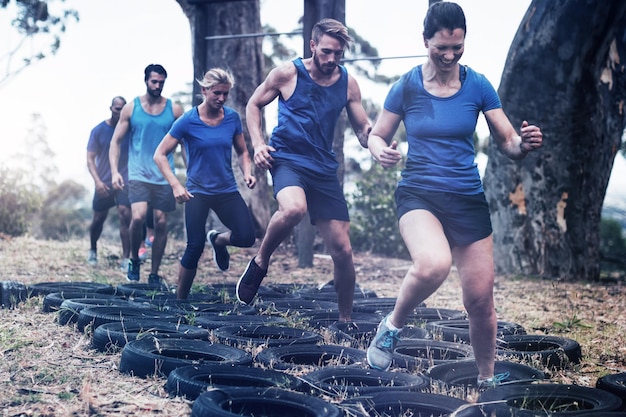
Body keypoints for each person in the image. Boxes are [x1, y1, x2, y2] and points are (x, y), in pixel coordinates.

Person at [364, 2, 543, 388]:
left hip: (466, 198)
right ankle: (391, 327)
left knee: (480, 300)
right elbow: (377, 134)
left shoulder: (477, 84)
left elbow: (508, 140)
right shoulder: (407, 85)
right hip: (419, 194)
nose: (448, 56)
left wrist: (524, 145)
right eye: (440, 47)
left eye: (456, 48)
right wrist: (381, 151)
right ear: (425, 40)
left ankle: (486, 378)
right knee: (432, 264)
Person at [238, 18, 372, 321]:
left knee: (343, 251)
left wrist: (375, 139)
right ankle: (261, 261)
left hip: (323, 169)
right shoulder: (287, 73)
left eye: (338, 53)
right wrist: (258, 144)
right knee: (294, 209)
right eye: (326, 51)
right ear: (312, 46)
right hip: (287, 159)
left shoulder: (348, 83)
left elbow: (363, 128)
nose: (331, 59)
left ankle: (345, 320)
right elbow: (253, 105)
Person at [154, 68, 257, 300]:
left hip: (226, 190)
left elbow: (242, 152)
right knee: (194, 246)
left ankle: (218, 240)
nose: (221, 99)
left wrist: (248, 172)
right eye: (217, 93)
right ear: (204, 91)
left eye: (225, 94)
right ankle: (180, 300)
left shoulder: (231, 118)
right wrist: (176, 185)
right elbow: (159, 154)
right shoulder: (187, 121)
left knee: (246, 236)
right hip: (197, 192)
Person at [110, 64, 184, 284]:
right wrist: (114, 172)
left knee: (161, 222)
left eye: (161, 82)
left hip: (163, 175)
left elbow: (185, 143)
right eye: (154, 81)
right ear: (146, 81)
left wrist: (189, 174)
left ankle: (154, 273)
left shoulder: (175, 110)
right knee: (139, 217)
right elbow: (116, 141)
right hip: (138, 173)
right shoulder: (131, 108)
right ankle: (134, 259)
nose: (158, 85)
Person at [86, 96, 131, 269]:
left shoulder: (130, 129)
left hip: (124, 181)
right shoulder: (98, 130)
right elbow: (90, 158)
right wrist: (97, 182)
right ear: (111, 108)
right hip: (103, 182)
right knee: (98, 219)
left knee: (125, 216)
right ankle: (92, 250)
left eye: (122, 109)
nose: (119, 112)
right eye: (116, 109)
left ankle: (126, 259)